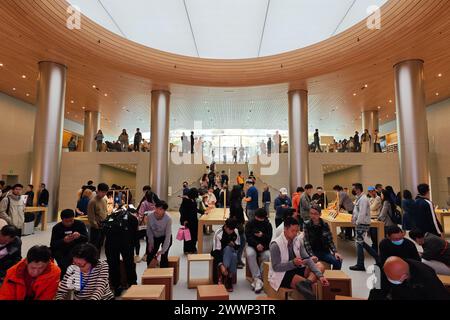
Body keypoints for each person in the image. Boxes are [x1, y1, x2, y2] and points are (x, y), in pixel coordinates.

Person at [269, 217, 329, 300]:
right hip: (282, 274)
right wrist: (293, 263)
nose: (295, 233)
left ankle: (307, 283)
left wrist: (320, 276)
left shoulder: (297, 240)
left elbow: (307, 259)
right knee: (310, 288)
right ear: (285, 229)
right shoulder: (275, 245)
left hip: (297, 267)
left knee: (320, 265)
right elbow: (276, 267)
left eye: (297, 231)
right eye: (292, 231)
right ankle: (307, 284)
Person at [370, 256, 450, 300]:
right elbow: (375, 292)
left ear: (404, 276)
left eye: (392, 280)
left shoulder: (426, 276)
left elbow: (441, 296)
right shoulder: (383, 269)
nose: (389, 281)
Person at [103, 206, 138, 296]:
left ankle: (117, 287)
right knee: (129, 263)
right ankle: (132, 284)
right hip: (126, 243)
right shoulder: (132, 218)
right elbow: (135, 235)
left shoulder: (109, 218)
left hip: (110, 244)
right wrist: (136, 249)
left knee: (113, 265)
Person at [349, 183, 379, 271]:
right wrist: (354, 219)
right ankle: (377, 257)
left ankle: (360, 264)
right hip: (360, 223)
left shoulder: (363, 199)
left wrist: (357, 222)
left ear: (358, 189)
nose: (353, 190)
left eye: (354, 189)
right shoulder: (360, 198)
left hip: (362, 224)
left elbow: (362, 213)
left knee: (359, 244)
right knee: (361, 243)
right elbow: (357, 211)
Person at [50, 209, 88, 277]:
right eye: (66, 221)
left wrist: (79, 236)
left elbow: (86, 239)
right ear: (62, 219)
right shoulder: (56, 228)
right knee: (64, 266)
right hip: (62, 251)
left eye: (71, 220)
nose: (69, 223)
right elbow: (53, 244)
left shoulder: (80, 224)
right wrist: (63, 241)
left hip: (77, 249)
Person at [303, 204, 343, 270]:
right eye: (311, 213)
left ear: (320, 214)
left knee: (338, 261)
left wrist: (335, 252)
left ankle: (333, 277)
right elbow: (306, 242)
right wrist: (311, 255)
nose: (313, 216)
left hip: (324, 251)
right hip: (313, 251)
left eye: (315, 214)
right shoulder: (306, 224)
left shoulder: (325, 225)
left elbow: (330, 241)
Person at [245, 208, 272, 293]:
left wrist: (262, 236)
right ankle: (257, 278)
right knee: (250, 254)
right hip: (252, 245)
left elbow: (269, 238)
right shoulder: (249, 223)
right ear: (255, 216)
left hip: (264, 247)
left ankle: (258, 279)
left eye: (261, 219)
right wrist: (256, 244)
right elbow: (248, 237)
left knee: (267, 255)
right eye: (257, 218)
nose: (259, 220)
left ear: (264, 217)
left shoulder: (268, 225)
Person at [212, 218, 240, 292]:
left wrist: (234, 245)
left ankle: (224, 276)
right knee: (232, 254)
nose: (231, 232)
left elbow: (238, 246)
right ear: (225, 227)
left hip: (230, 251)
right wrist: (221, 265)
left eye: (232, 230)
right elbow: (216, 251)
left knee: (231, 251)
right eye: (229, 230)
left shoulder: (235, 231)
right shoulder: (218, 233)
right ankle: (229, 277)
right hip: (220, 253)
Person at [146, 201, 172, 268]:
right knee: (150, 254)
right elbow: (149, 231)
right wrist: (150, 243)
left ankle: (164, 274)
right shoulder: (150, 216)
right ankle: (150, 271)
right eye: (156, 208)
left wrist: (163, 250)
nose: (157, 210)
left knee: (164, 256)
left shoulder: (168, 218)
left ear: (164, 210)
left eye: (160, 209)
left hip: (165, 236)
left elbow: (168, 236)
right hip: (154, 236)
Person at [87, 183, 109, 251]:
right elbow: (91, 217)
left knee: (100, 244)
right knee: (93, 245)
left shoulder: (104, 200)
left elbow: (105, 212)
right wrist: (96, 226)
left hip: (103, 226)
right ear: (98, 191)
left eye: (105, 192)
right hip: (96, 228)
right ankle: (92, 260)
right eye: (102, 192)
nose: (104, 194)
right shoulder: (92, 201)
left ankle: (97, 260)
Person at [229, 186, 245, 269]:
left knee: (241, 242)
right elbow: (234, 215)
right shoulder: (235, 202)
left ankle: (238, 259)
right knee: (240, 243)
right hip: (237, 225)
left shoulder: (236, 200)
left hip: (239, 224)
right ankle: (237, 260)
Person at [179, 188, 200, 254]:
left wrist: (203, 212)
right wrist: (184, 220)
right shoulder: (186, 200)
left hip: (194, 220)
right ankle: (187, 250)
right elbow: (182, 210)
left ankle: (193, 248)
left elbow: (195, 209)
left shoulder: (193, 199)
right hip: (188, 220)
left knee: (194, 235)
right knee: (187, 236)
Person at [368, 186, 382, 252]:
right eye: (369, 192)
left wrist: (369, 207)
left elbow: (372, 208)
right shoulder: (370, 198)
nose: (370, 193)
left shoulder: (378, 198)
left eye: (371, 191)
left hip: (376, 217)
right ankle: (374, 245)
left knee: (374, 234)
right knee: (371, 233)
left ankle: (377, 247)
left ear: (374, 191)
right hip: (370, 217)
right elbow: (368, 207)